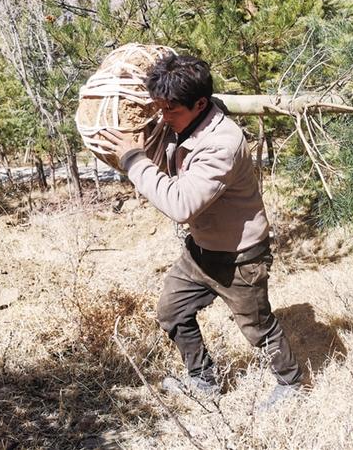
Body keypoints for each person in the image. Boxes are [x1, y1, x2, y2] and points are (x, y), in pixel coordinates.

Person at [98, 54, 302, 406]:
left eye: (171, 110)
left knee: (257, 328)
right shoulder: (187, 118)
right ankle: (204, 379)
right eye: (159, 108)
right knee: (173, 312)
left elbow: (181, 205)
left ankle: (292, 383)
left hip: (239, 257)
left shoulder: (222, 144)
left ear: (200, 104)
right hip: (200, 250)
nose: (163, 117)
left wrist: (133, 158)